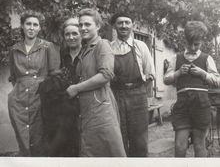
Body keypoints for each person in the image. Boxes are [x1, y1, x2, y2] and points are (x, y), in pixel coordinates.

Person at [66, 8, 126, 157]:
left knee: (109, 153)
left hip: (101, 109)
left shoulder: (102, 45)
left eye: (87, 24)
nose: (83, 28)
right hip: (87, 110)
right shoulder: (86, 49)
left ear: (98, 26)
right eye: (81, 25)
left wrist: (76, 88)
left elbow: (106, 75)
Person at [164, 21, 220, 157]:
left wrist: (203, 73)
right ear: (185, 41)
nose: (193, 47)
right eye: (190, 44)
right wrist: (177, 73)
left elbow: (217, 80)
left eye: (197, 44)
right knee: (179, 145)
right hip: (182, 106)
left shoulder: (207, 59)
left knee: (199, 144)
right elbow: (166, 79)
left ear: (201, 42)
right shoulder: (176, 58)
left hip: (201, 106)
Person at [8, 10, 60, 156]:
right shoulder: (14, 49)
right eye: (28, 24)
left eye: (35, 25)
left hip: (41, 98)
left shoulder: (48, 47)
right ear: (23, 27)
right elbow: (13, 77)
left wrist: (39, 90)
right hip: (18, 100)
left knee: (39, 139)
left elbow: (54, 74)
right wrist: (19, 91)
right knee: (23, 139)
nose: (31, 27)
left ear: (39, 28)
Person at [110, 12, 155, 157]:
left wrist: (144, 96)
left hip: (137, 96)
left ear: (132, 25)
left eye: (127, 22)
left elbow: (150, 74)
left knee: (139, 139)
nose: (124, 26)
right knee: (118, 137)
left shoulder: (140, 46)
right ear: (114, 26)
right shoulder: (108, 48)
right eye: (120, 22)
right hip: (115, 95)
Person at [37, 17, 81, 157]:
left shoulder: (88, 52)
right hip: (67, 108)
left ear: (81, 35)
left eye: (75, 33)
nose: (71, 37)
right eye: (67, 34)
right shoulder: (63, 54)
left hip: (85, 104)